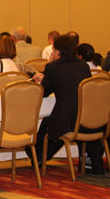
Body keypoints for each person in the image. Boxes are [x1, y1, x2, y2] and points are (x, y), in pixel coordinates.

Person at [31, 36, 97, 171]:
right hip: (88, 119)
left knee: (48, 124)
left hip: (68, 122)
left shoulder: (53, 67)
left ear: (58, 51)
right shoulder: (83, 66)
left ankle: (37, 157)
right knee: (51, 122)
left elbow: (44, 92)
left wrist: (49, 66)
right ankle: (39, 158)